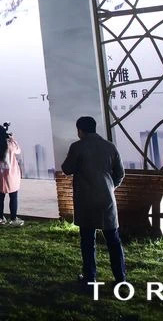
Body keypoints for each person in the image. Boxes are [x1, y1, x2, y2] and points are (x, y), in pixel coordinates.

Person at [61, 116, 126, 287]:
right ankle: (120, 277)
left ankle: (90, 276)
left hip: (86, 199)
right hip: (107, 199)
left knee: (88, 241)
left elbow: (67, 169)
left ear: (80, 130)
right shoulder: (110, 146)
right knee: (113, 240)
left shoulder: (77, 146)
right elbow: (120, 173)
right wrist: (110, 187)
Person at [0, 124, 24, 227]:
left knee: (0, 196)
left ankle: (0, 218)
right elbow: (18, 150)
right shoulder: (9, 145)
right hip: (11, 175)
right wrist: (12, 139)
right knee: (13, 196)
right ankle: (13, 219)